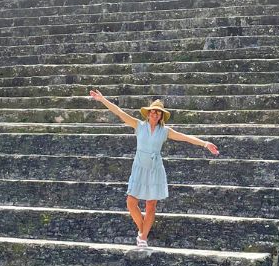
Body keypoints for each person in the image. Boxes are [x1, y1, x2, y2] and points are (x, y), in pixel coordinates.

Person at [89, 91, 219, 247]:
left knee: (151, 205)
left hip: (155, 169)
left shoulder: (165, 131)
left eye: (159, 113)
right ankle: (141, 230)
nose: (156, 114)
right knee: (131, 202)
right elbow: (119, 112)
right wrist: (103, 99)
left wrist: (205, 144)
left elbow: (185, 137)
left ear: (161, 116)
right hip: (139, 167)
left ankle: (143, 238)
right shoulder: (138, 125)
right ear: (149, 113)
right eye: (153, 111)